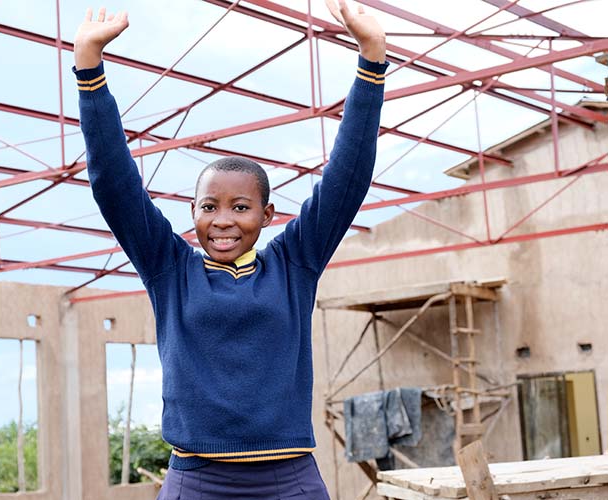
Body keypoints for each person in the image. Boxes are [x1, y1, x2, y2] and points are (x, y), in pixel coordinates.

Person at [73, 1, 387, 498]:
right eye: (209, 206)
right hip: (197, 481)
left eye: (240, 207)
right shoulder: (169, 269)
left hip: (289, 480)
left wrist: (372, 58)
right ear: (192, 213)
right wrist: (89, 66)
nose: (222, 220)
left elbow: (347, 177)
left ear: (268, 215)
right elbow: (114, 182)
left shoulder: (294, 264)